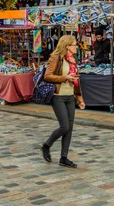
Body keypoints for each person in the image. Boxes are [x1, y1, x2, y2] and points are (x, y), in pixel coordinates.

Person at [41, 35, 85, 168]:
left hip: (70, 96)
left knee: (69, 128)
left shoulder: (73, 60)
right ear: (67, 46)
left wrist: (79, 98)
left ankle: (64, 157)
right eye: (74, 44)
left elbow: (76, 80)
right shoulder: (56, 57)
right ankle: (46, 145)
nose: (76, 47)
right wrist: (65, 77)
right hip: (58, 95)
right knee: (64, 126)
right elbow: (47, 76)